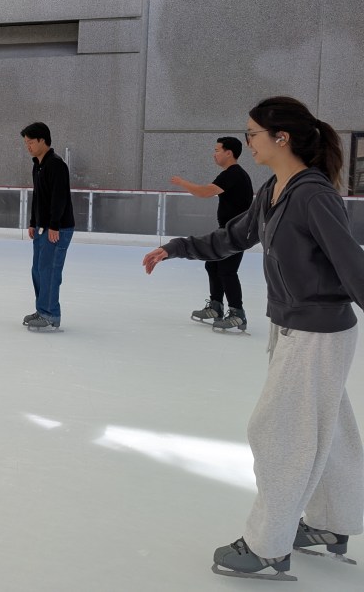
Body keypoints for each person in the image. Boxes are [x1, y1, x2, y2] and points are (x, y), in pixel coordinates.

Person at [143, 96, 364, 580]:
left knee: (278, 434)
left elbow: (353, 264)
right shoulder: (274, 190)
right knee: (328, 428)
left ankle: (268, 545)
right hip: (292, 328)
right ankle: (333, 522)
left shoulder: (313, 195)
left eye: (252, 133)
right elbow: (233, 236)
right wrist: (177, 247)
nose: (248, 141)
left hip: (316, 333)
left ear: (281, 138)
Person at [169, 136, 254, 331]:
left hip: (236, 232)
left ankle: (238, 313)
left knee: (227, 270)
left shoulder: (233, 173)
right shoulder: (232, 174)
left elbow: (205, 192)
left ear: (228, 153)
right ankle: (216, 306)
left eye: (217, 150)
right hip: (227, 230)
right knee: (213, 265)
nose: (214, 154)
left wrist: (182, 182)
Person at [21, 122, 75, 331]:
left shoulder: (56, 165)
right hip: (43, 228)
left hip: (57, 228)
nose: (28, 146)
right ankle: (42, 308)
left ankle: (51, 314)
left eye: (31, 142)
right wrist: (33, 222)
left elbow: (59, 198)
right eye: (26, 143)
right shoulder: (38, 165)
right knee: (38, 270)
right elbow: (38, 197)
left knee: (50, 271)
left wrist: (54, 225)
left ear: (42, 140)